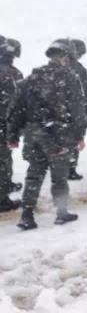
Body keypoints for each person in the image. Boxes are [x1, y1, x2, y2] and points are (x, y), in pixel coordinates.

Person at [7, 39, 87, 230]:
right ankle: (61, 213)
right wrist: (79, 134)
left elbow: (17, 108)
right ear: (66, 57)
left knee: (34, 175)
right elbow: (77, 111)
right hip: (58, 135)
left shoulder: (32, 77)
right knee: (59, 177)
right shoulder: (70, 78)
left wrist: (13, 135)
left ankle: (27, 216)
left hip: (33, 134)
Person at [0, 39, 24, 212]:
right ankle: (2, 199)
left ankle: (6, 186)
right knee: (3, 160)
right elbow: (19, 103)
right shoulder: (13, 74)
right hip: (4, 124)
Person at [66, 38, 87, 181]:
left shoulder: (57, 65)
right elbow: (85, 91)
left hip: (58, 110)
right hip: (74, 109)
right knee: (75, 138)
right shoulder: (79, 69)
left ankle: (61, 167)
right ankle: (70, 169)